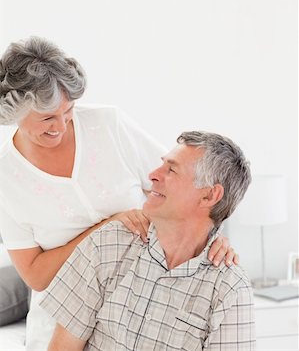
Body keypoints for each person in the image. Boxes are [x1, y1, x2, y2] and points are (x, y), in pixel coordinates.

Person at [0, 37, 237, 351]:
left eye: (68, 110)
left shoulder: (108, 124)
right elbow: (35, 275)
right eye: (47, 118)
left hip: (139, 317)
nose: (61, 125)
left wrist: (213, 236)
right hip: (60, 326)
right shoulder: (7, 176)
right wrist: (107, 229)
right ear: (14, 111)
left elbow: (181, 188)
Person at [41, 130, 255, 351]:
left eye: (171, 170)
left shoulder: (230, 289)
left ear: (209, 196)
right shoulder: (109, 244)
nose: (153, 174)